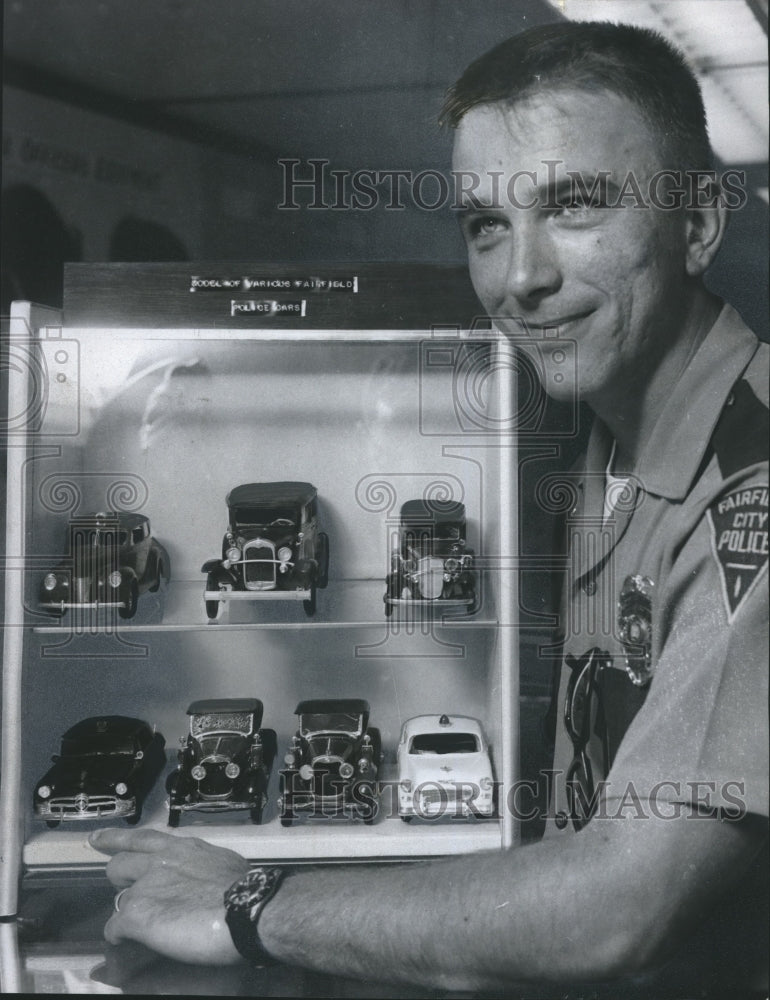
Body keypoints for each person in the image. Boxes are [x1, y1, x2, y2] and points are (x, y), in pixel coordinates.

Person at [89, 21, 768, 995]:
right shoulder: (597, 438)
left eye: (573, 206)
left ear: (698, 221)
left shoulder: (749, 482)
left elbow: (624, 904)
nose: (518, 277)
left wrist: (254, 903)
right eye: (485, 223)